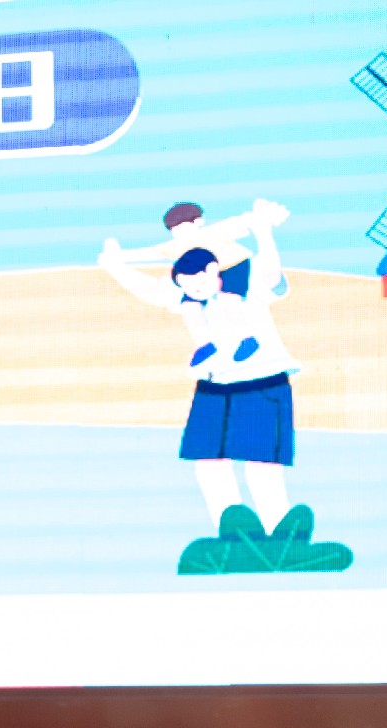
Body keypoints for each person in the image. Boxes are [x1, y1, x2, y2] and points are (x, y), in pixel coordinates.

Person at [99, 199, 301, 534]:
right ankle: (231, 536)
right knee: (209, 465)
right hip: (213, 387)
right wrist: (116, 266)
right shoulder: (186, 287)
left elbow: (270, 274)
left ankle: (279, 535)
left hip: (263, 383)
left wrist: (264, 231)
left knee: (262, 466)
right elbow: (150, 289)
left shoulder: (245, 276)